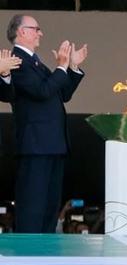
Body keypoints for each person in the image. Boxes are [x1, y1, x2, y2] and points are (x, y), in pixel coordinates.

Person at [7, 14, 88, 233]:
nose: (40, 33)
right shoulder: (17, 61)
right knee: (32, 206)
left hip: (52, 143)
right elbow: (42, 91)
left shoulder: (36, 63)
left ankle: (44, 255)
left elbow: (61, 93)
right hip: (35, 145)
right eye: (36, 28)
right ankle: (28, 258)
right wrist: (61, 67)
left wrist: (71, 68)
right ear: (22, 31)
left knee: (50, 208)